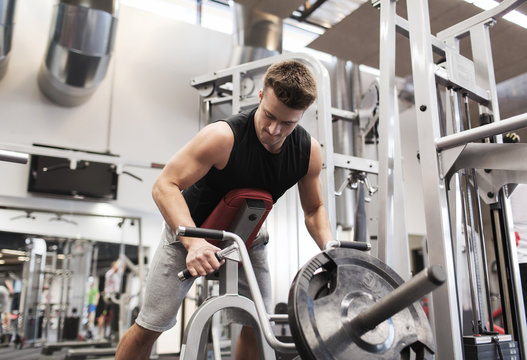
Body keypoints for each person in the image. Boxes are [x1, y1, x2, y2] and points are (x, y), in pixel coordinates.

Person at [115, 59, 334, 360]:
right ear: (260, 96)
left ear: (302, 115)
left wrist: (332, 250)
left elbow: (315, 209)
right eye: (269, 116)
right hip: (190, 230)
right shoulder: (222, 137)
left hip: (248, 238)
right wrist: (193, 243)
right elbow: (164, 185)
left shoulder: (308, 152)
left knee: (259, 324)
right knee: (151, 324)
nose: (274, 129)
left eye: (287, 123)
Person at [97, 260, 122, 340]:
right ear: (113, 266)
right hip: (108, 297)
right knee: (104, 315)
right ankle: (99, 334)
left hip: (115, 296)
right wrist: (119, 261)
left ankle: (106, 334)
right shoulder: (110, 273)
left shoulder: (117, 275)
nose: (118, 267)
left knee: (110, 317)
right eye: (117, 265)